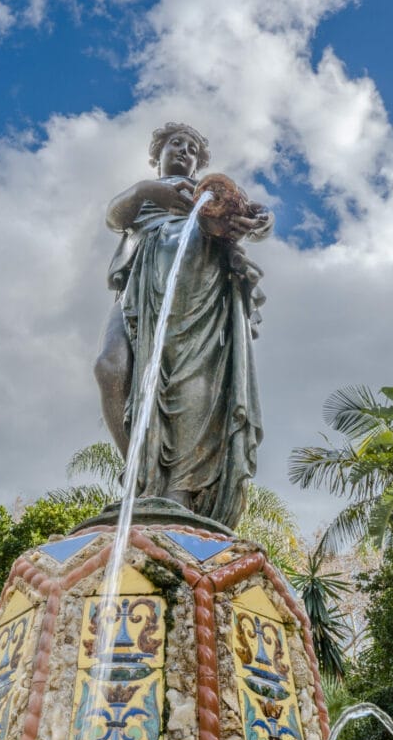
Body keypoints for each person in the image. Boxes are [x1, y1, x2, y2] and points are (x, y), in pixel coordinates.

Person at [94, 122, 272, 529]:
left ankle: (178, 489)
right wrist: (144, 192)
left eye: (192, 148)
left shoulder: (208, 195)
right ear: (157, 154)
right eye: (175, 144)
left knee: (190, 379)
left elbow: (254, 222)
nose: (183, 151)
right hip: (139, 289)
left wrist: (262, 220)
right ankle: (141, 478)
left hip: (202, 288)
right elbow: (113, 216)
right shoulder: (148, 194)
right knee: (110, 368)